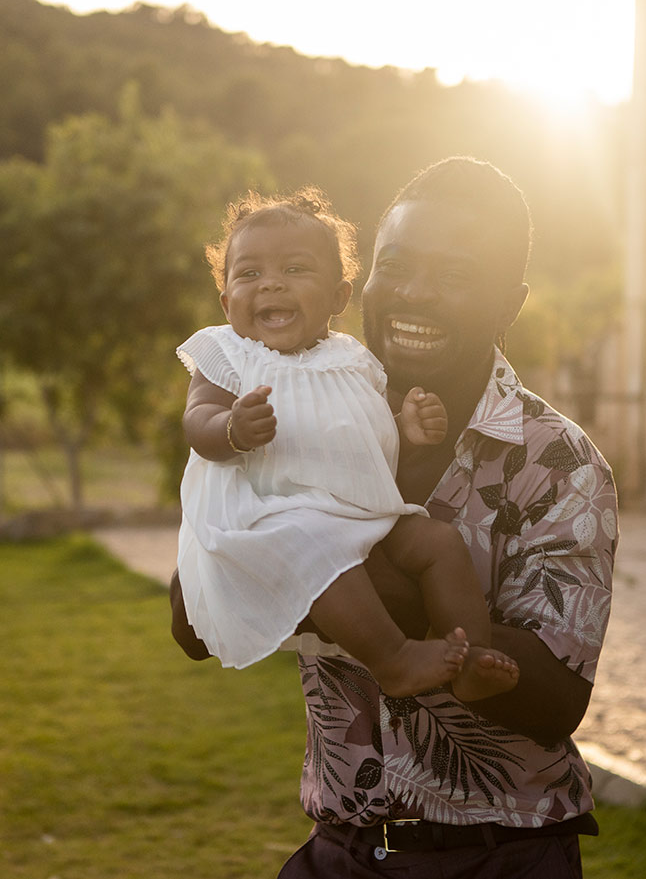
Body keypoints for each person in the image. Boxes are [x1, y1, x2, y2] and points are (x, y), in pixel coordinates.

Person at [170, 158, 618, 878]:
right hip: (340, 849)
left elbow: (553, 694)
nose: (414, 293)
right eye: (396, 265)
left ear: (509, 301)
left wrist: (320, 574)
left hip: (501, 857)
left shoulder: (557, 461)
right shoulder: (288, 402)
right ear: (367, 280)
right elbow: (190, 621)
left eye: (454, 274)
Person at [174, 187, 519, 701]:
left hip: (364, 513)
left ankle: (470, 654)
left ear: (338, 297)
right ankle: (394, 659)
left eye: (294, 270)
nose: (270, 284)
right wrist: (229, 428)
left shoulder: (352, 360)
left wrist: (409, 423)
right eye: (249, 274)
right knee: (317, 550)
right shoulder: (229, 355)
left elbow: (366, 421)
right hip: (274, 517)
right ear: (227, 303)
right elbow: (196, 418)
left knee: (437, 542)